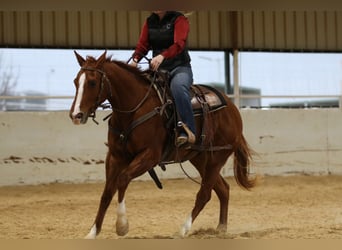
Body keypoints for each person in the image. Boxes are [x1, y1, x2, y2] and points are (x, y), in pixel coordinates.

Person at [131, 11, 196, 146]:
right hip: (158, 71)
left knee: (178, 87)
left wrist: (162, 56)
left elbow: (179, 44)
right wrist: (135, 59)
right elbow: (143, 45)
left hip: (180, 68)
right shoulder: (150, 22)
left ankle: (188, 129)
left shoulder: (179, 19)